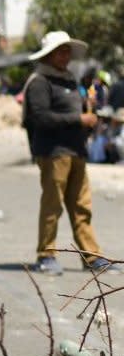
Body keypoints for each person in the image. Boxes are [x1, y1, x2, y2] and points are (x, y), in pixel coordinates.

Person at [24, 31, 119, 274]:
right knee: (52, 205)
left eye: (67, 51)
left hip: (76, 152)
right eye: (61, 51)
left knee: (81, 206)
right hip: (54, 152)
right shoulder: (39, 82)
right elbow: (41, 118)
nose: (66, 55)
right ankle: (46, 255)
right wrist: (78, 118)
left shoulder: (67, 80)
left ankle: (91, 256)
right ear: (49, 55)